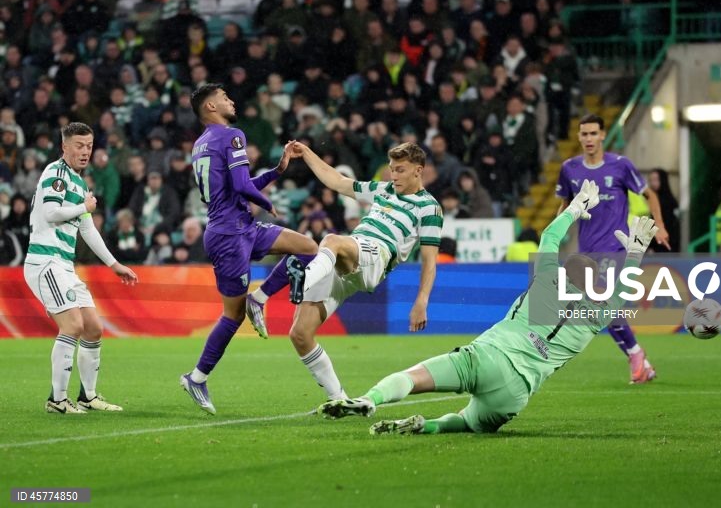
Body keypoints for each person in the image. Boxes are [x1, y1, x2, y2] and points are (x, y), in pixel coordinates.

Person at [317, 182, 660, 435]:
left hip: (489, 358)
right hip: (516, 394)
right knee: (468, 422)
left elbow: (549, 239)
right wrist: (634, 256)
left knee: (412, 377)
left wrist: (572, 210)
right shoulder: (592, 320)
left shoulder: (545, 283)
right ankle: (428, 426)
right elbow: (619, 297)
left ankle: (370, 399)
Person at [179, 84, 317, 415]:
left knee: (308, 248)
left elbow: (238, 188)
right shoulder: (231, 135)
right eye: (225, 97)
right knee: (232, 315)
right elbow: (242, 187)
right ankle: (197, 378)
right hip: (229, 236)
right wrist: (268, 204)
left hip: (242, 228)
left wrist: (278, 171)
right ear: (211, 106)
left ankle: (261, 297)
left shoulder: (201, 144)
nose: (231, 100)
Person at [282, 141, 443, 401]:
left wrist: (421, 301)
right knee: (300, 334)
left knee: (332, 240)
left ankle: (304, 279)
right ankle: (339, 400)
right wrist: (307, 153)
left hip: (377, 256)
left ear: (418, 170)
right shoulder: (383, 189)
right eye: (392, 169)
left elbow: (429, 261)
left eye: (400, 170)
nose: (394, 175)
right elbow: (337, 181)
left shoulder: (429, 207)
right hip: (347, 258)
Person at [23, 122, 139, 414]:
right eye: (79, 145)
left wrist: (114, 264)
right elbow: (51, 212)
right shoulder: (56, 173)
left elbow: (88, 231)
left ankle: (88, 396)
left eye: (89, 145)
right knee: (72, 325)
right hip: (45, 261)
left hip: (63, 265)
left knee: (93, 328)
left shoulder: (80, 183)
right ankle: (57, 400)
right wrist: (84, 207)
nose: (85, 151)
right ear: (64, 146)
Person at [556, 114, 669, 384]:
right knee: (602, 310)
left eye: (593, 133)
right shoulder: (569, 168)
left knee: (601, 302)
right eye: (584, 134)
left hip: (616, 247)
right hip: (587, 252)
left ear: (603, 135)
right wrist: (555, 232)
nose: (588, 139)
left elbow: (649, 194)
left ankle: (637, 359)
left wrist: (660, 226)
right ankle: (639, 358)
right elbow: (564, 205)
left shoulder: (620, 165)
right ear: (579, 137)